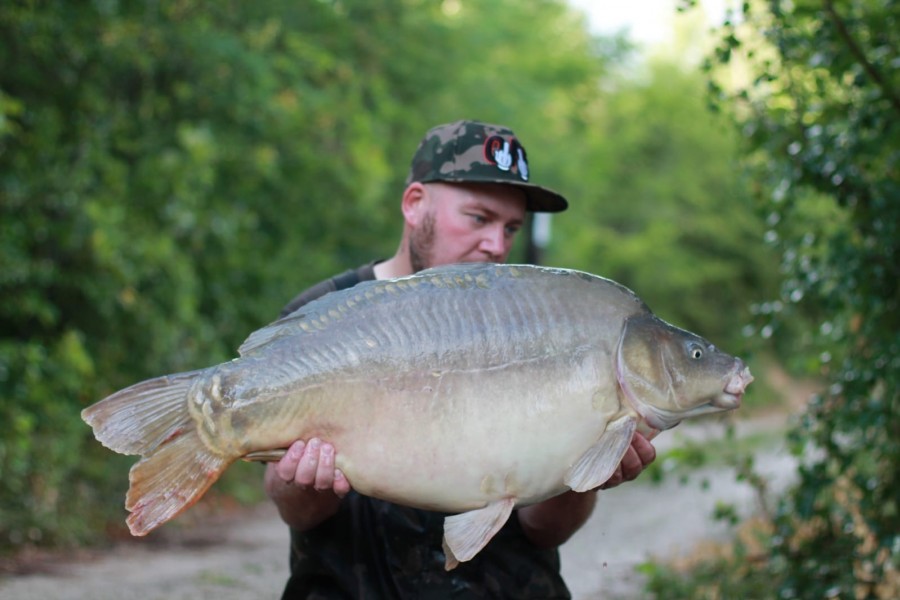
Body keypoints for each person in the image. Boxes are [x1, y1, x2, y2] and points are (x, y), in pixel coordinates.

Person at [264, 120, 657, 598]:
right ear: (415, 205)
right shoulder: (325, 316)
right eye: (478, 218)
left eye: (511, 227)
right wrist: (308, 480)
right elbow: (296, 511)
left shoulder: (545, 319)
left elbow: (544, 531)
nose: (497, 244)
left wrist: (588, 472)